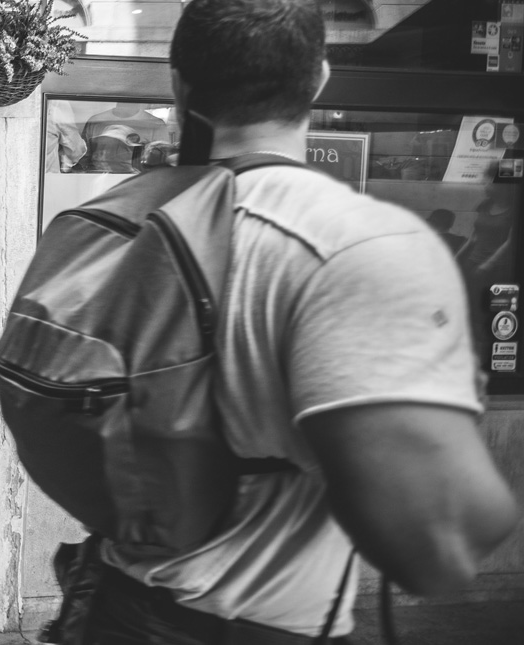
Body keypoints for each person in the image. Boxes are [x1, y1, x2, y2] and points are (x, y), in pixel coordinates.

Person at [64, 1, 520, 643]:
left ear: (179, 86)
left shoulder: (122, 220)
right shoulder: (358, 242)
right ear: (321, 77)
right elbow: (435, 551)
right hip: (251, 625)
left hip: (109, 601)